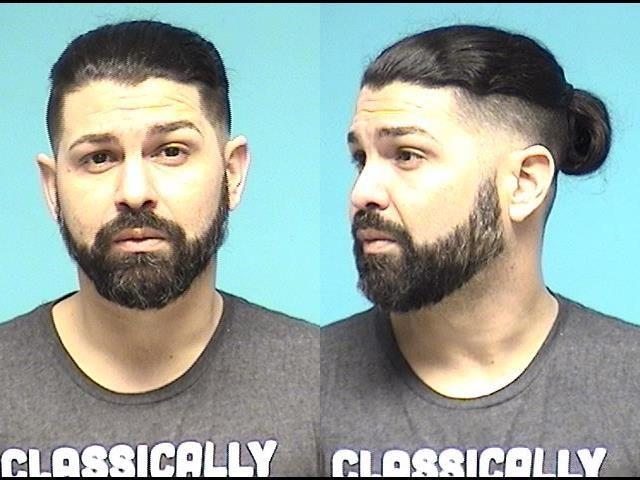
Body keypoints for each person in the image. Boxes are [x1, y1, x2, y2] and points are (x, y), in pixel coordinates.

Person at [0, 20, 318, 477]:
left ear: (232, 173)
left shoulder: (320, 380)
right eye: (99, 158)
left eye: (170, 151)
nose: (135, 192)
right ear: (52, 189)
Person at [321, 24, 640, 477]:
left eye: (407, 155)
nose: (362, 192)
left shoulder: (630, 389)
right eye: (361, 159)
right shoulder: (303, 382)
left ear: (524, 182)